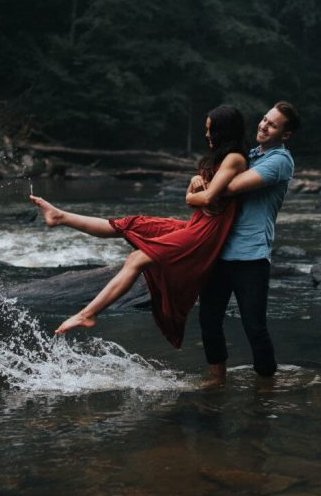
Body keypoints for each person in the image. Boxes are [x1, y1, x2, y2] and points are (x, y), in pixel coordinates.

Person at [28, 105, 248, 348]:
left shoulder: (235, 158)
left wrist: (195, 193)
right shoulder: (218, 158)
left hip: (206, 235)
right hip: (196, 224)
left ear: (224, 131)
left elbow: (203, 200)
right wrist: (194, 186)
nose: (207, 135)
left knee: (137, 258)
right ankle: (60, 217)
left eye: (210, 130)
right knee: (131, 224)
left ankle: (87, 314)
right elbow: (199, 200)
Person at [185, 101, 300, 384]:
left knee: (254, 327)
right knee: (209, 320)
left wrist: (197, 192)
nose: (263, 125)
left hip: (251, 255)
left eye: (272, 124)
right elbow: (213, 174)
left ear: (284, 134)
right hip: (219, 250)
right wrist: (197, 178)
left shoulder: (280, 161)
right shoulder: (248, 154)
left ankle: (265, 386)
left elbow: (229, 188)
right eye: (264, 119)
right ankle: (216, 380)